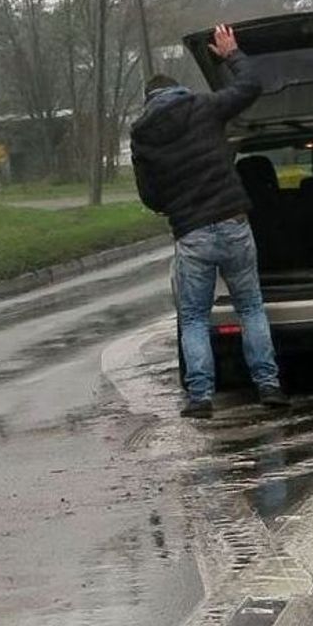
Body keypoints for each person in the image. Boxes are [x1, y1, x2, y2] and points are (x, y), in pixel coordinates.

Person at [130, 24, 287, 417]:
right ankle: (268, 385)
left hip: (192, 233)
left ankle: (200, 397)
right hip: (232, 222)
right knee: (250, 307)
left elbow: (149, 196)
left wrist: (173, 204)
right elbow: (250, 87)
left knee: (194, 318)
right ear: (177, 90)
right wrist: (231, 54)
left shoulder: (142, 137)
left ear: (148, 101)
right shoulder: (203, 107)